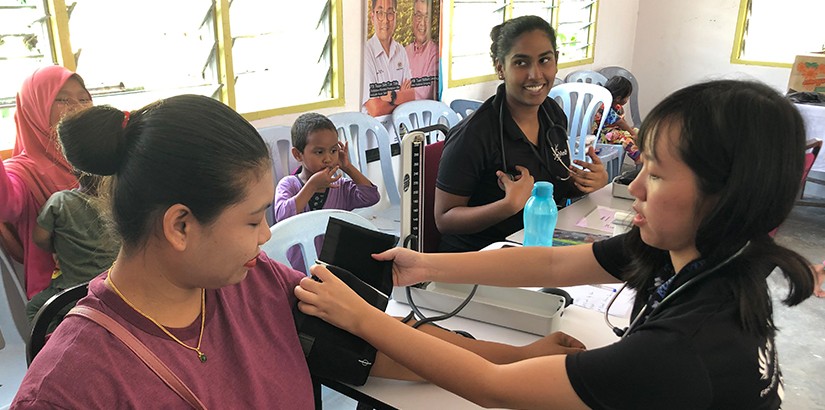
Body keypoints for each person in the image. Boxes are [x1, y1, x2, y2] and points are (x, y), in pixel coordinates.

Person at [13, 95, 585, 408]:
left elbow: (377, 344)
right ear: (181, 225)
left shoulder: (254, 283)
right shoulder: (72, 386)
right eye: (255, 219)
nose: (269, 237)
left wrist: (518, 357)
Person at [295, 79, 815, 409]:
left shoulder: (682, 349)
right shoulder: (712, 260)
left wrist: (362, 319)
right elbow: (555, 262)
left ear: (723, 196)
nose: (632, 187)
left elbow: (492, 388)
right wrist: (425, 265)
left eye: (654, 175)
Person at [435, 15, 608, 252]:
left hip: (536, 244)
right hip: (479, 258)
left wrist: (586, 183)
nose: (535, 74)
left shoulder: (552, 115)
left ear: (556, 61)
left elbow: (555, 186)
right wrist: (507, 206)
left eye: (544, 60)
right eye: (521, 63)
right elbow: (444, 219)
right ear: (500, 68)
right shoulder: (473, 135)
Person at [0, 65, 92, 299]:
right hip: (63, 300)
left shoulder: (98, 160)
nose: (78, 108)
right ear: (35, 109)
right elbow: (5, 204)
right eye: (62, 100)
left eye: (84, 99)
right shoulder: (22, 170)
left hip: (117, 285)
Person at [272, 112, 380, 273]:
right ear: (298, 154)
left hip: (335, 268)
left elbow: (371, 197)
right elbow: (283, 217)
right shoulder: (289, 184)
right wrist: (312, 186)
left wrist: (347, 167)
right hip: (297, 271)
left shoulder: (341, 187)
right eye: (319, 152)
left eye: (333, 150)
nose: (328, 159)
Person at [26, 171, 119, 329]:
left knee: (34, 308)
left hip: (74, 294)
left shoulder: (60, 201)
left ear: (74, 172)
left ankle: (55, 345)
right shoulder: (115, 204)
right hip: (113, 289)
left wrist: (57, 248)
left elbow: (39, 238)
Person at [363, 0, 415, 116]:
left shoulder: (400, 50)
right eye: (380, 13)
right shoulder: (365, 53)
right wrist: (401, 95)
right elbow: (375, 109)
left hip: (401, 126)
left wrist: (392, 97)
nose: (385, 20)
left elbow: (412, 95)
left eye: (390, 13)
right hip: (375, 130)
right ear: (372, 17)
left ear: (395, 17)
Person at [593, 76, 641, 164]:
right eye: (627, 97)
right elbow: (620, 122)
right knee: (626, 140)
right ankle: (638, 159)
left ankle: (645, 154)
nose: (628, 99)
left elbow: (623, 121)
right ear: (618, 98)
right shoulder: (606, 107)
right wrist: (632, 133)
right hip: (603, 135)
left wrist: (633, 132)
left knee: (639, 132)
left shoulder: (618, 107)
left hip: (616, 130)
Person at [405, 0, 438, 100]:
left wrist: (402, 93)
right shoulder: (405, 51)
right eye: (419, 16)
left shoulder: (435, 53)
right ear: (413, 19)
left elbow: (424, 93)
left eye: (426, 17)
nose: (422, 23)